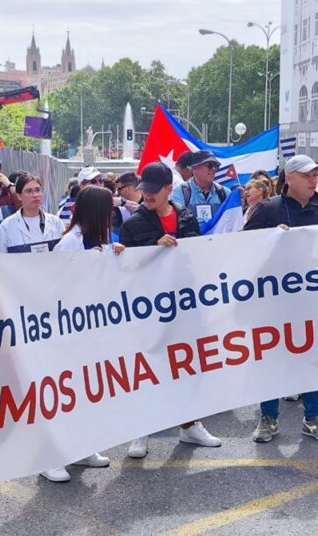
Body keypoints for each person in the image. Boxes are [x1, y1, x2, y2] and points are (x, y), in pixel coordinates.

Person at [119, 162, 221, 458]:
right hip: (148, 311)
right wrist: (153, 246)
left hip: (184, 306)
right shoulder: (132, 225)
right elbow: (125, 269)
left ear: (167, 189)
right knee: (148, 370)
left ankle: (189, 425)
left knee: (187, 367)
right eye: (143, 191)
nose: (146, 196)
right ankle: (141, 430)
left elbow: (197, 256)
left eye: (152, 191)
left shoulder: (186, 216)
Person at [244, 154, 318, 444]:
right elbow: (243, 249)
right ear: (291, 178)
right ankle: (268, 418)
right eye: (308, 175)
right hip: (274, 304)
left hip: (313, 301)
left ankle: (313, 418)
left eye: (316, 175)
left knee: (312, 358)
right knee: (271, 359)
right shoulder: (268, 210)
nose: (315, 179)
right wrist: (270, 240)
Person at [0, 173, 65, 253]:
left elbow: (65, 254)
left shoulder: (56, 222)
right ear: (19, 196)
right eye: (29, 191)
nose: (35, 195)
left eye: (38, 190)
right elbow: (1, 259)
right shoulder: (6, 227)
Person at [55, 185, 125, 254]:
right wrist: (86, 258)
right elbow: (60, 264)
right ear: (96, 212)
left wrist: (114, 253)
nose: (112, 213)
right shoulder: (70, 241)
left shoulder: (101, 235)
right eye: (109, 209)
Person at [171, 150, 230, 228]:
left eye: (216, 166)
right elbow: (179, 221)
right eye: (209, 165)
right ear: (195, 168)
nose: (213, 169)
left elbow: (230, 221)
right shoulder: (179, 192)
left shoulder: (225, 193)